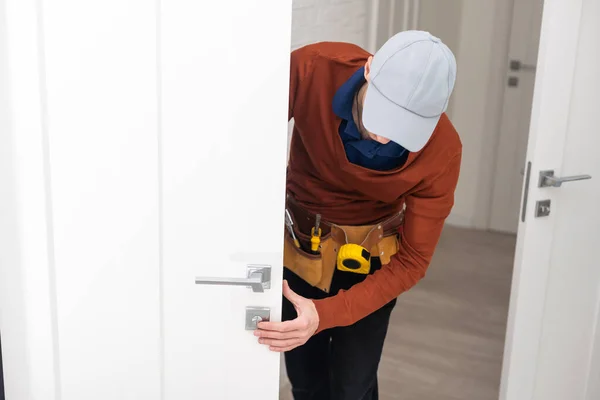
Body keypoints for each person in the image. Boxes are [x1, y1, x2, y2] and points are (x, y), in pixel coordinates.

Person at [255, 30, 461, 399]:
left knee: (354, 387)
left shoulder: (443, 150)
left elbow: (413, 259)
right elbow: (245, 145)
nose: (385, 138)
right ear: (369, 69)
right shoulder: (312, 69)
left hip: (372, 265)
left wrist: (326, 314)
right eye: (384, 116)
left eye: (404, 128)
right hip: (300, 251)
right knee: (305, 382)